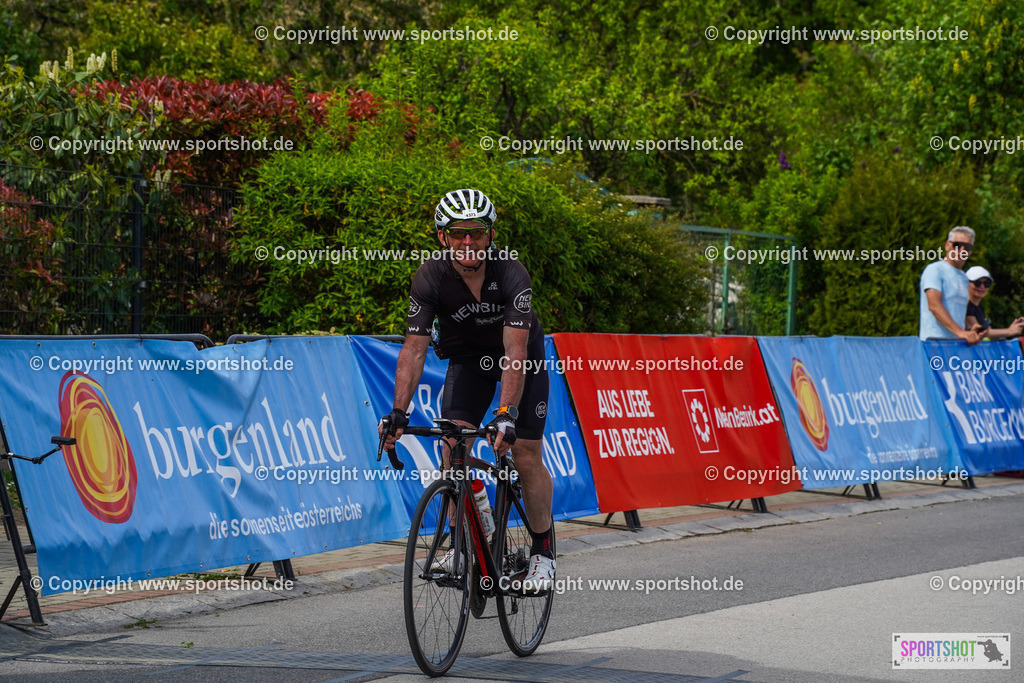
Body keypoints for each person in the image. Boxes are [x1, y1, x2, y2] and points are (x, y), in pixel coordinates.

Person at [379, 188, 555, 592]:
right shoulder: (429, 276)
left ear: (490, 235)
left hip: (520, 359)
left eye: (476, 232)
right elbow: (414, 349)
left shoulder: (512, 273)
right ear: (443, 237)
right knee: (452, 445)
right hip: (469, 363)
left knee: (525, 454)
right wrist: (398, 412)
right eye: (458, 234)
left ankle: (542, 555)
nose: (468, 242)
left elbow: (515, 352)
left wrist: (507, 413)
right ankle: (461, 541)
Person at [919, 226, 983, 344]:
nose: (962, 250)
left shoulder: (964, 278)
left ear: (970, 251)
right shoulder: (934, 270)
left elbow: (958, 312)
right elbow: (934, 306)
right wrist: (961, 333)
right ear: (947, 245)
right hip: (933, 345)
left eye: (967, 247)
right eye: (957, 245)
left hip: (956, 346)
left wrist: (971, 330)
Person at [964, 266, 1024, 341]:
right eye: (977, 283)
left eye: (986, 284)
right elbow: (980, 332)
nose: (982, 287)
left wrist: (1011, 330)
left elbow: (989, 331)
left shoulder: (979, 306)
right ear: (966, 283)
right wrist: (1009, 331)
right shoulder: (965, 305)